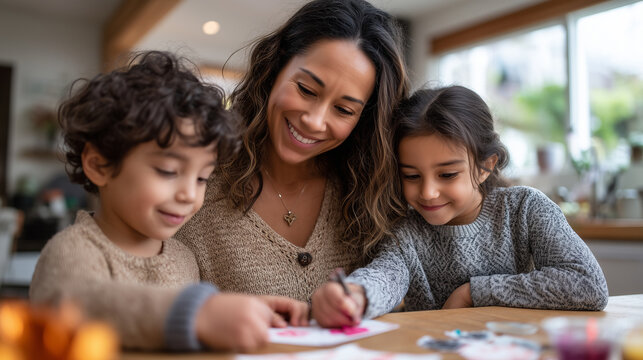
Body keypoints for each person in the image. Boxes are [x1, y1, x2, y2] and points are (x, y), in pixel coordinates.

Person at [29, 51, 309, 351]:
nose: (189, 194)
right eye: (168, 171)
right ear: (100, 165)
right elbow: (76, 305)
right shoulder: (71, 251)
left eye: (202, 178)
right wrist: (198, 313)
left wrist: (244, 310)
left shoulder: (183, 258)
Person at [310, 85, 609, 327]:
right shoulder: (406, 233)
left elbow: (588, 284)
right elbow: (384, 277)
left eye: (447, 174)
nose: (427, 192)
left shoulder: (525, 209)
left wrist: (473, 292)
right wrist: (355, 296)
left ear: (485, 166)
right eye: (411, 176)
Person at [175, 0, 408, 302]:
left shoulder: (369, 194)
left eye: (343, 109)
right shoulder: (197, 179)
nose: (314, 121)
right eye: (306, 90)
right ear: (275, 68)